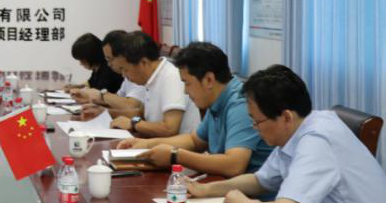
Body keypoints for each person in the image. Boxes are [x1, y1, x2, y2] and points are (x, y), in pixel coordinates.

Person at [187, 65, 386, 203]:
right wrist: (206, 190)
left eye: (257, 121)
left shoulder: (317, 140)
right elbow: (259, 181)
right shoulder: (297, 131)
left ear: (286, 117)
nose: (255, 128)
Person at [116, 42, 270, 176]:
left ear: (209, 80)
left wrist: (175, 155)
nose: (185, 91)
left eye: (187, 83)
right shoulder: (217, 98)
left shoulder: (240, 104)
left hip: (252, 196)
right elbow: (195, 141)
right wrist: (147, 144)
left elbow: (234, 165)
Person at [109, 31, 200, 137]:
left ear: (143, 63)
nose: (124, 75)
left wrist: (133, 124)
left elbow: (169, 128)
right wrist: (106, 113)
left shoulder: (171, 76)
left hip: (178, 145)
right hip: (158, 142)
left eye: (125, 69)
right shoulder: (150, 78)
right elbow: (141, 114)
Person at [70, 29, 144, 118]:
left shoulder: (139, 74)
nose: (108, 64)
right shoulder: (127, 75)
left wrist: (101, 95)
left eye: (109, 59)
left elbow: (132, 106)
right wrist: (97, 104)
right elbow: (117, 100)